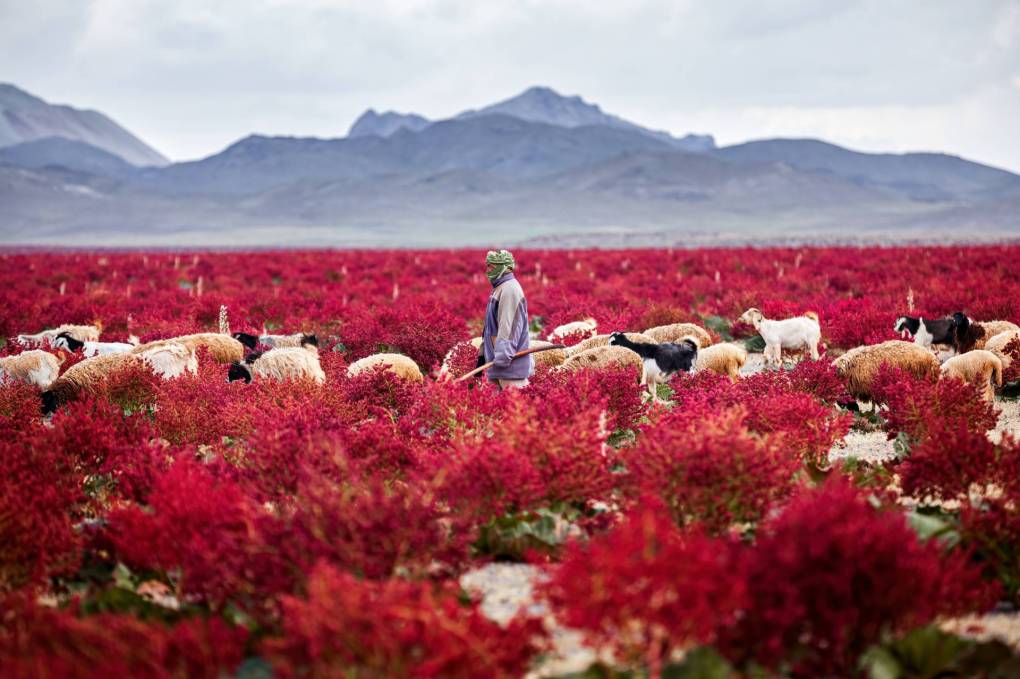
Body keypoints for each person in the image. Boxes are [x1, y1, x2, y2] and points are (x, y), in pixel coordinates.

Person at [478, 249, 533, 388]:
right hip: (496, 368)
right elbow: (490, 328)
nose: (487, 270)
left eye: (491, 266)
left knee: (516, 407)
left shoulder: (510, 290)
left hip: (510, 370)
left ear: (502, 267)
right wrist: (482, 355)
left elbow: (508, 327)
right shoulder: (499, 288)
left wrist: (502, 358)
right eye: (487, 265)